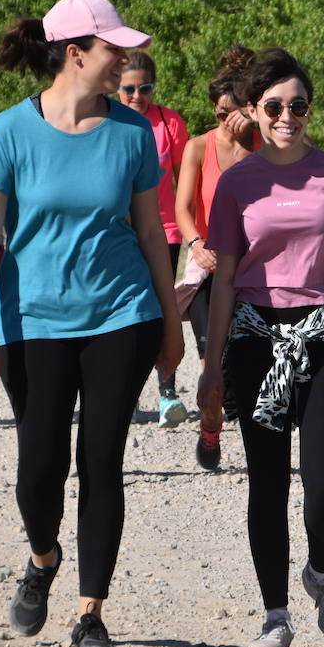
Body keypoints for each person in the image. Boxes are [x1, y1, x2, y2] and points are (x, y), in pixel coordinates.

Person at [0, 0, 183, 647]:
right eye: (111, 46)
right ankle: (42, 557)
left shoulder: (131, 133)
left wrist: (172, 325)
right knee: (39, 469)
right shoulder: (10, 131)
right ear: (75, 53)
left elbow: (152, 232)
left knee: (101, 462)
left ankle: (91, 614)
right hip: (33, 319)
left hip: (122, 312)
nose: (123, 56)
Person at [197, 47, 324, 647]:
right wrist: (210, 364)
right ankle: (275, 616)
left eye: (298, 106)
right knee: (268, 481)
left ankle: (322, 571)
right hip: (256, 338)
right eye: (274, 106)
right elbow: (224, 278)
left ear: (309, 111)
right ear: (253, 110)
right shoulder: (236, 183)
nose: (286, 116)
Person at [174, 45, 257, 470]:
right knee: (212, 364)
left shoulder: (266, 144)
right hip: (211, 268)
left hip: (258, 271)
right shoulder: (198, 146)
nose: (230, 121)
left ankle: (264, 437)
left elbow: (306, 164)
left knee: (258, 363)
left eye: (238, 111)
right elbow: (182, 208)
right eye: (222, 112)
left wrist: (259, 128)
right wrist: (194, 244)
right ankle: (210, 428)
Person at [118, 49, 191, 428]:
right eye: (128, 88)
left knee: (163, 307)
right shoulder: (106, 121)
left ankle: (167, 392)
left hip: (164, 230)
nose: (136, 96)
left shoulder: (169, 122)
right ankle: (124, 390)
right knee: (128, 310)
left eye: (144, 87)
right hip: (119, 231)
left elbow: (185, 183)